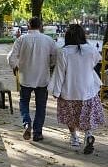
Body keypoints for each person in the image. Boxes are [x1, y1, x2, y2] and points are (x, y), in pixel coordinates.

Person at [48, 24, 105, 154]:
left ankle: (74, 138)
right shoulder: (91, 50)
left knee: (70, 116)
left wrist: (56, 91)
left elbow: (60, 73)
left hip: (69, 91)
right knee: (87, 115)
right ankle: (89, 135)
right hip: (88, 90)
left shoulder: (64, 52)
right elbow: (96, 61)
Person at [8, 17, 57, 141]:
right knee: (41, 106)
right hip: (42, 78)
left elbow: (11, 57)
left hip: (25, 77)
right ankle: (37, 133)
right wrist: (49, 65)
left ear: (28, 26)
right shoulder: (48, 40)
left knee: (24, 102)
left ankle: (26, 123)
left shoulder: (21, 39)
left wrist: (15, 68)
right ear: (41, 26)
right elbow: (55, 57)